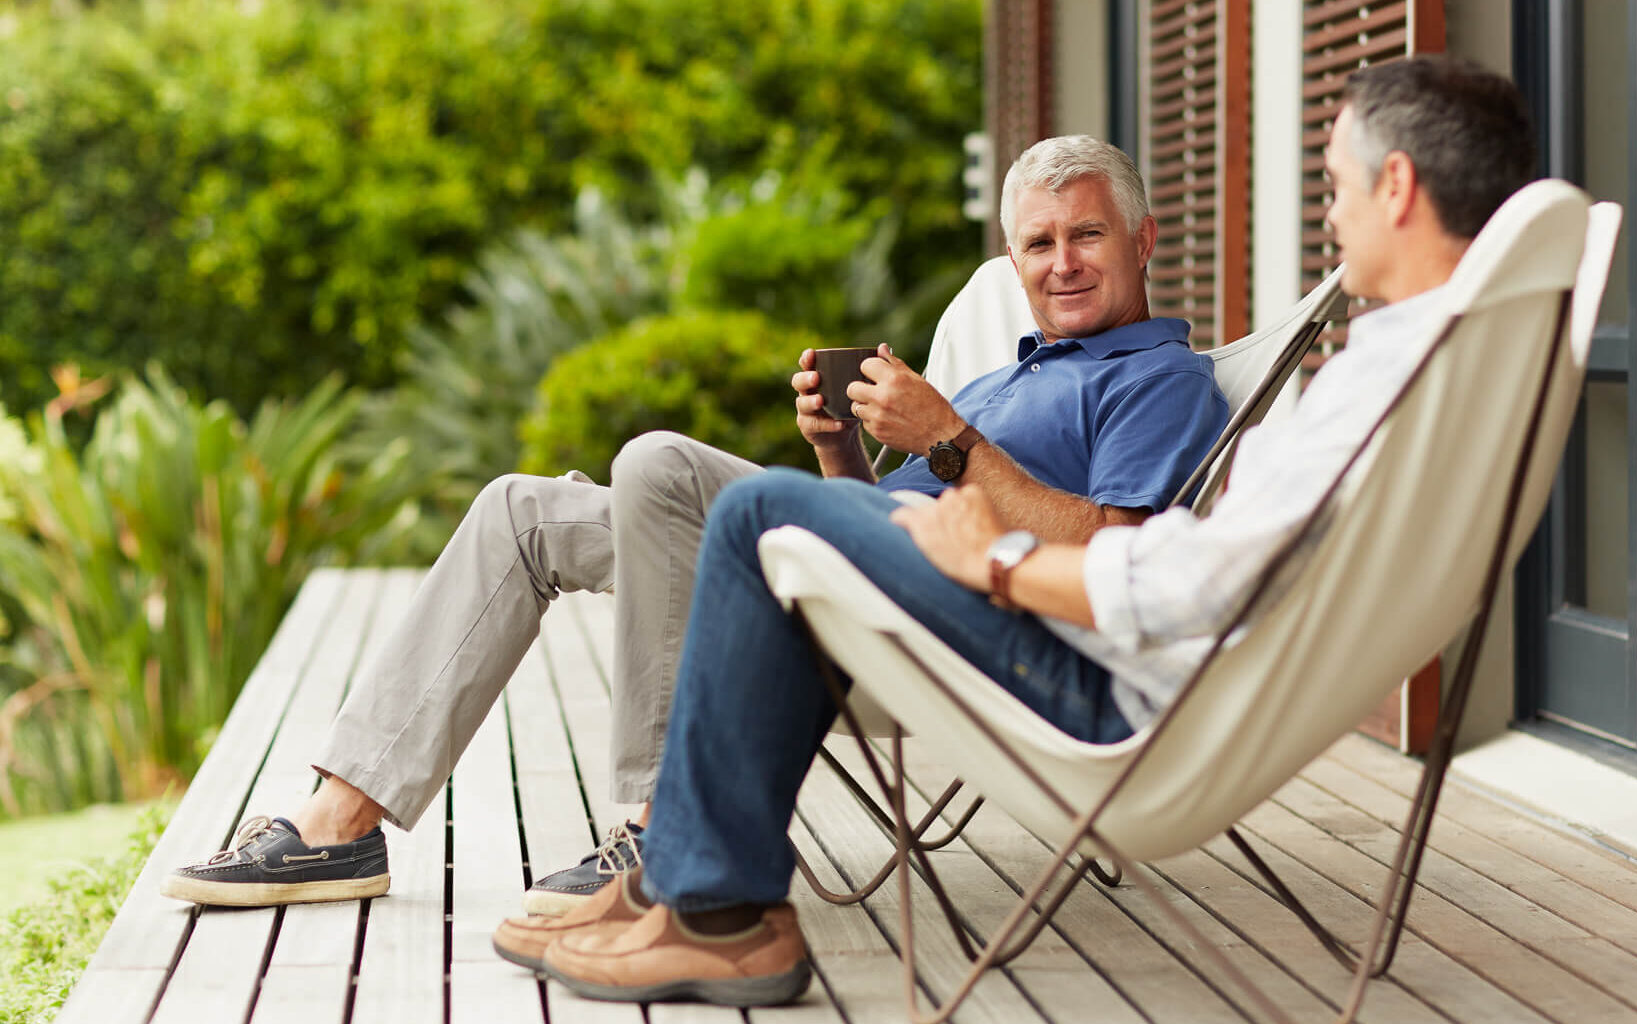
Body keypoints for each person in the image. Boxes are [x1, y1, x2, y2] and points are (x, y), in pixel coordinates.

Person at [494, 55, 1536, 1007]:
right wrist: (881, 469)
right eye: (1039, 243)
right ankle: (694, 884)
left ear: (1396, 188)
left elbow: (1189, 577)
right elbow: (1217, 566)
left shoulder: (1352, 391)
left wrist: (992, 554)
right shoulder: (1421, 377)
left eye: (1338, 186)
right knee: (728, 503)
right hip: (1088, 643)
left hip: (1103, 687)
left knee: (754, 515)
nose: (1330, 214)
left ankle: (708, 905)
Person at [161, 135, 1230, 912]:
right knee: (520, 511)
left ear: (1141, 240)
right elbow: (901, 495)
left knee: (658, 465)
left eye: (1086, 235)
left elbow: (1114, 552)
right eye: (1038, 244)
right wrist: (836, 451)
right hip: (856, 564)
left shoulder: (1161, 381)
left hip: (959, 619)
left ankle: (656, 827)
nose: (1062, 263)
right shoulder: (1015, 370)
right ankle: (340, 823)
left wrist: (949, 435)